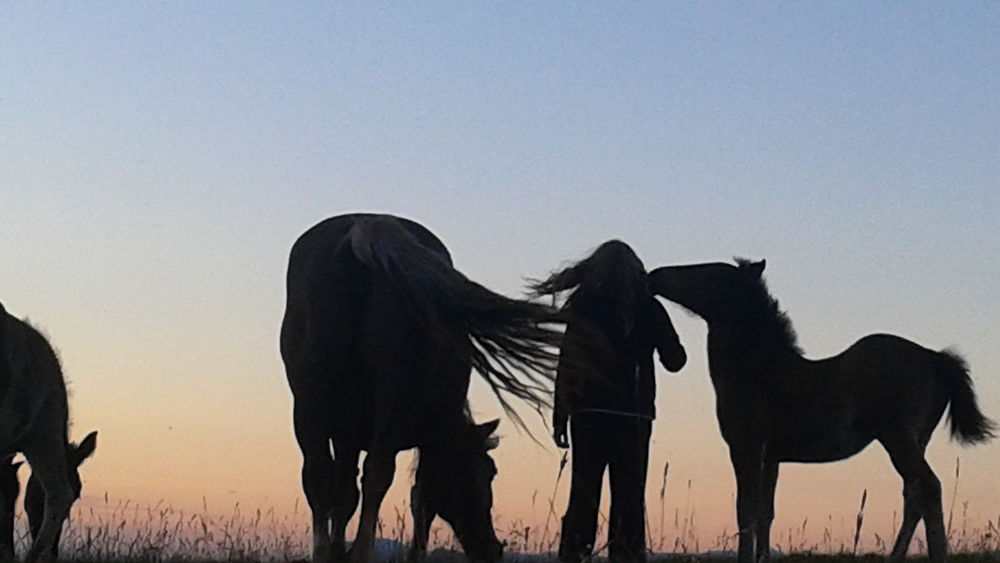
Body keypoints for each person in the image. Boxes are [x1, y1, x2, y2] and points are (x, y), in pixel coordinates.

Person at [532, 240, 687, 563]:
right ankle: (627, 557)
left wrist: (561, 415)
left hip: (588, 414)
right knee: (629, 499)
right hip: (634, 417)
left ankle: (575, 555)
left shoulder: (584, 306)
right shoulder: (649, 308)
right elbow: (675, 361)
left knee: (583, 496)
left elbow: (567, 364)